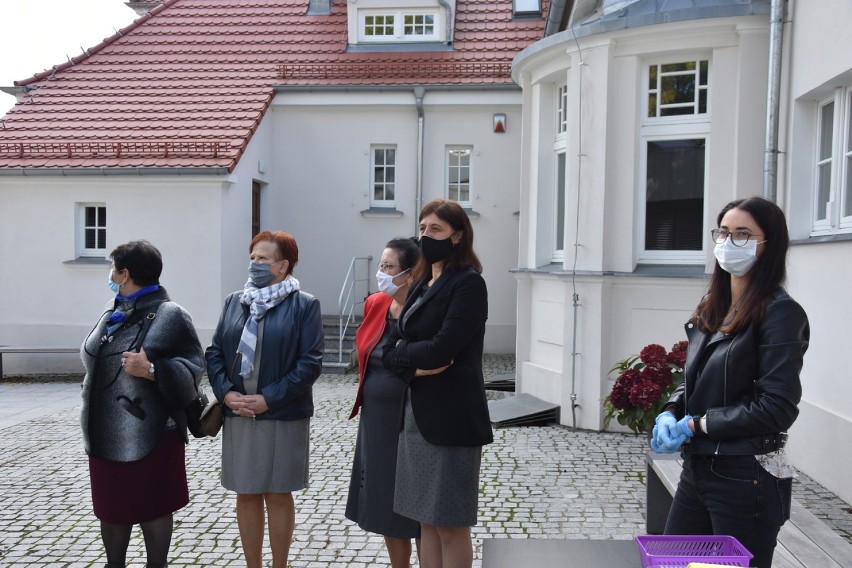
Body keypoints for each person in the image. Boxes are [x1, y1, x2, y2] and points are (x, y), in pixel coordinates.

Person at [650, 196, 810, 568]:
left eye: (742, 234)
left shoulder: (781, 313)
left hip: (746, 476)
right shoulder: (715, 304)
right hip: (699, 470)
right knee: (675, 563)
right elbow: (697, 379)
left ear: (769, 245)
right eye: (722, 232)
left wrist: (696, 423)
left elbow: (778, 406)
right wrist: (671, 410)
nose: (727, 242)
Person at [80, 240, 205, 568]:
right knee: (112, 509)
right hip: (105, 434)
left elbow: (193, 371)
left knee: (153, 508)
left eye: (115, 268)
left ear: (125, 274)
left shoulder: (170, 314)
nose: (111, 274)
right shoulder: (113, 310)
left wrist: (151, 370)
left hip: (153, 434)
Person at [382, 199, 493, 568]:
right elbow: (390, 348)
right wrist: (412, 365)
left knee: (450, 524)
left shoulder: (469, 285)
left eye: (436, 229)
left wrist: (406, 355)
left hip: (451, 420)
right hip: (415, 417)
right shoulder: (422, 284)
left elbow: (442, 350)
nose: (426, 235)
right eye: (423, 227)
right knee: (425, 521)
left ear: (458, 236)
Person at [206, 230, 323, 568]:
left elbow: (310, 363)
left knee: (278, 492)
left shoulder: (304, 305)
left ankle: (279, 565)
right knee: (246, 491)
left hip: (282, 413)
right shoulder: (234, 301)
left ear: (283, 265)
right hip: (239, 411)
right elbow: (214, 353)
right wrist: (227, 394)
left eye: (263, 259)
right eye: (253, 257)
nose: (254, 264)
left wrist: (268, 398)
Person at [345, 237, 422, 567]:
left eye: (388, 267)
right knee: (386, 501)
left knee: (416, 502)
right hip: (376, 419)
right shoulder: (376, 303)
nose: (382, 272)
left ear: (409, 273)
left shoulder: (424, 310)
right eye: (381, 265)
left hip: (410, 419)